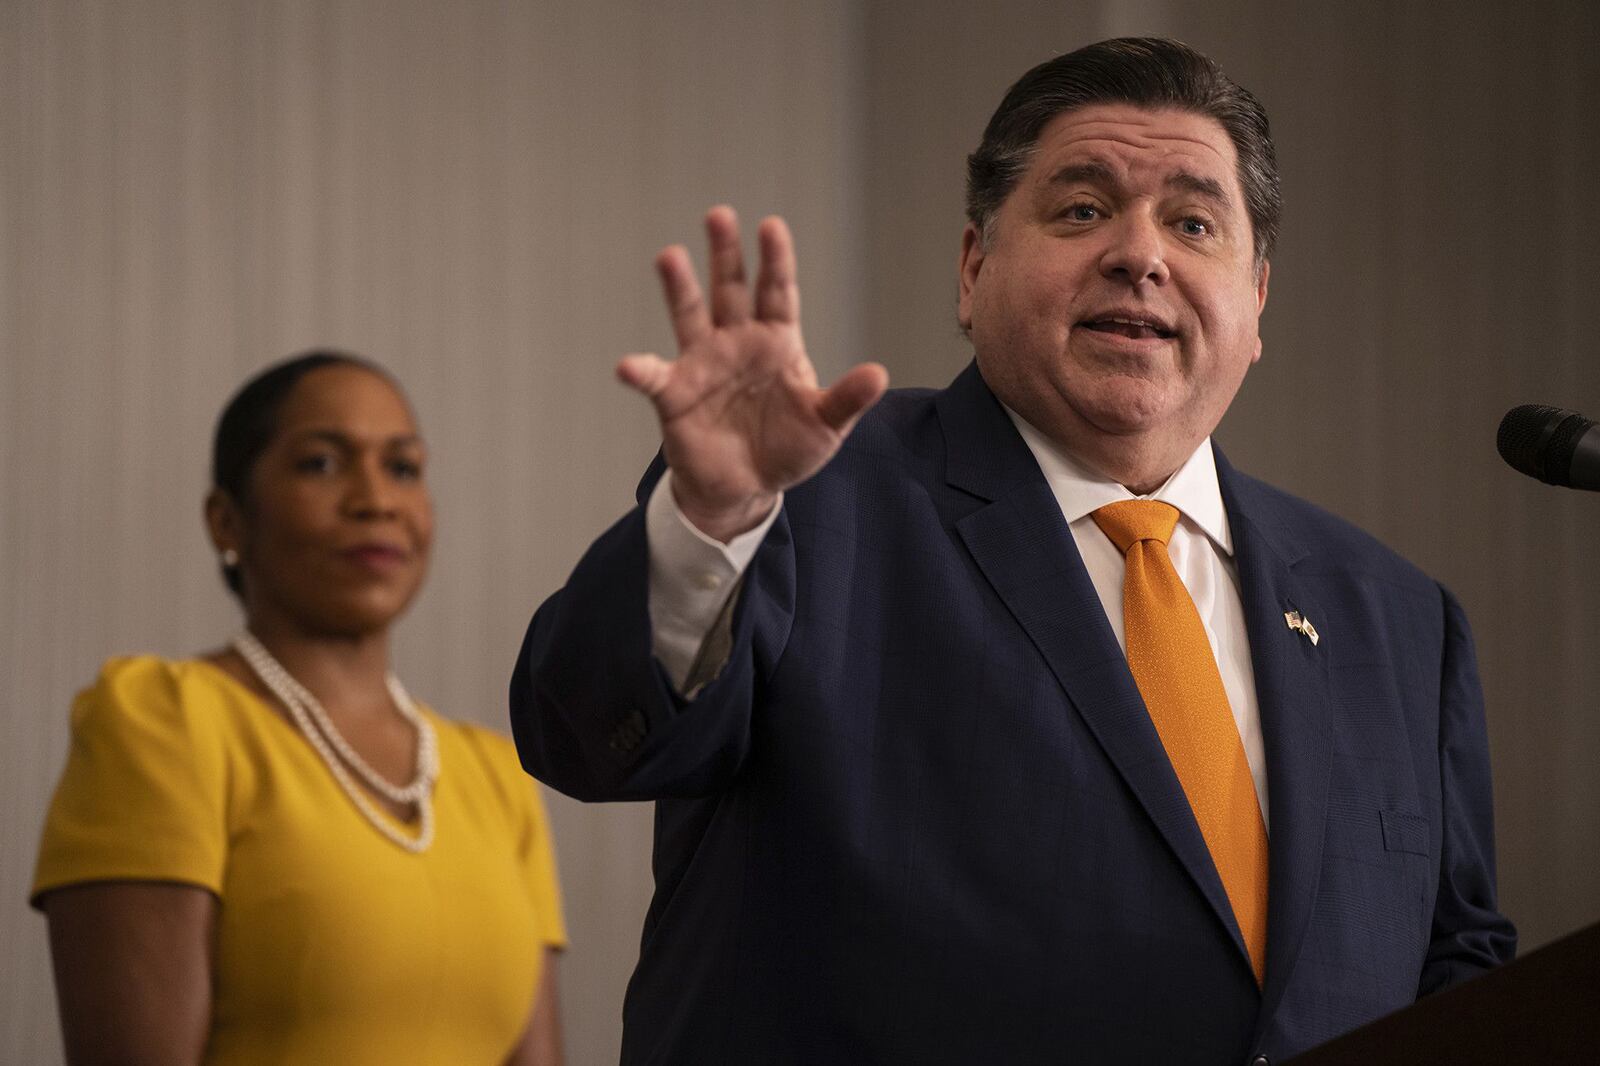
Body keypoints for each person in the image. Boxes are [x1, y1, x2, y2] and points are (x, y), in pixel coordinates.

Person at [511, 37, 1515, 1065]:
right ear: (972, 267)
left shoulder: (1397, 617)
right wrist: (713, 517)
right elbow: (585, 735)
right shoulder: (808, 499)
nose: (1140, 254)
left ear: (1256, 299)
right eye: (1081, 210)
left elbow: (1457, 963)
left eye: (1192, 222)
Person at [33, 352, 567, 1065]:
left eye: (403, 467)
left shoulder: (498, 776)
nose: (376, 500)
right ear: (227, 521)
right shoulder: (163, 721)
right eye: (321, 463)